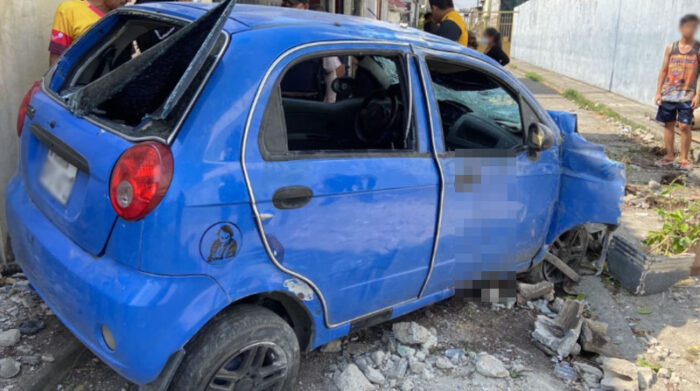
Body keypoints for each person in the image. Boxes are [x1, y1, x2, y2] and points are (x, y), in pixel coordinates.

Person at [654, 14, 700, 171]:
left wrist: (698, 95)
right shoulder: (671, 48)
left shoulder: (698, 49)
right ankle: (669, 155)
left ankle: (684, 159)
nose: (691, 29)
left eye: (694, 27)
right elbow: (664, 70)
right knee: (668, 124)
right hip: (669, 94)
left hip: (687, 94)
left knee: (685, 126)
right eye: (688, 26)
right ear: (681, 28)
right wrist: (658, 92)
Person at [49, 0, 126, 65]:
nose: (129, 0)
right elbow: (56, 60)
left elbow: (126, 59)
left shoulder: (124, 16)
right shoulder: (69, 9)